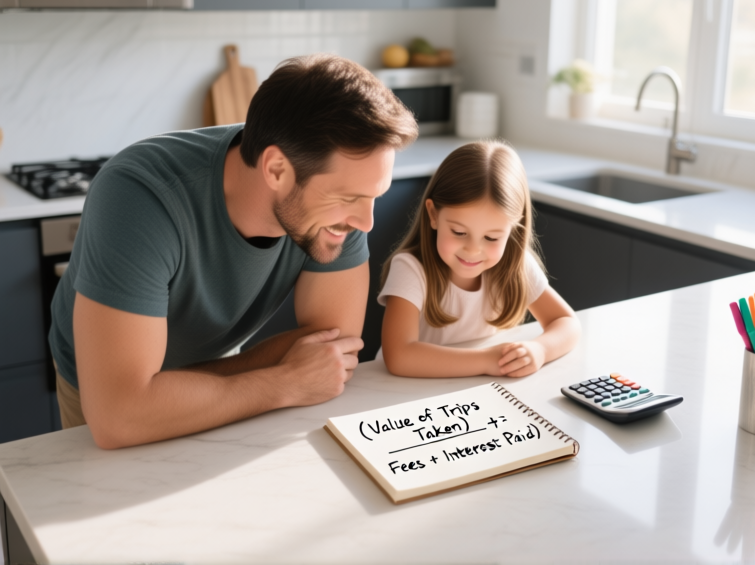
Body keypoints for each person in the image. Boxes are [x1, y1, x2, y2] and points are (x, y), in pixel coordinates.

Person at [50, 54, 418, 449]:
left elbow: (331, 349)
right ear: (276, 169)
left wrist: (201, 387)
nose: (367, 223)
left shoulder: (335, 203)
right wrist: (282, 380)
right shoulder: (138, 196)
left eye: (373, 197)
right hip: (103, 386)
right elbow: (119, 416)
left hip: (228, 372)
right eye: (349, 198)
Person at [378, 141, 580, 377]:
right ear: (433, 215)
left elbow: (567, 321)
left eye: (492, 237)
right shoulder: (411, 269)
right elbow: (399, 356)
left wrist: (540, 350)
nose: (473, 250)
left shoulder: (518, 266)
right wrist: (487, 361)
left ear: (513, 229)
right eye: (459, 233)